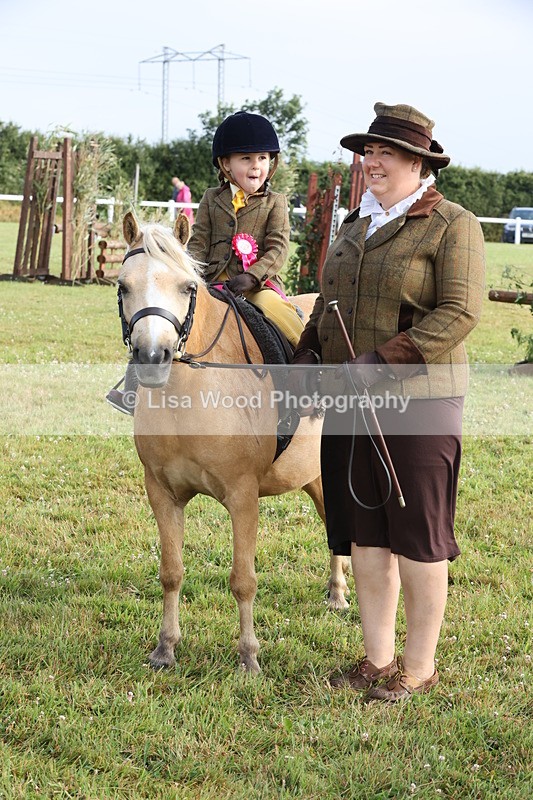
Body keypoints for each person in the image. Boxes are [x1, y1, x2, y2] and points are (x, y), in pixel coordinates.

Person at [290, 102, 485, 701]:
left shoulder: (454, 224)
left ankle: (418, 666)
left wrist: (380, 363)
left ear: (418, 162)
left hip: (421, 401)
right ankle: (376, 660)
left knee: (418, 536)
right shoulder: (353, 226)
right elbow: (330, 306)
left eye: (386, 153)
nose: (371, 162)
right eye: (367, 152)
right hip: (348, 401)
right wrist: (303, 358)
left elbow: (460, 312)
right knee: (367, 533)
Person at [187, 110, 304, 348]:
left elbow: (278, 249)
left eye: (262, 158)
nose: (256, 166)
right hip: (212, 281)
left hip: (256, 286)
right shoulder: (211, 198)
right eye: (246, 159)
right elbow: (198, 243)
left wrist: (252, 276)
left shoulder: (275, 202)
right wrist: (191, 277)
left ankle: (306, 360)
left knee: (282, 316)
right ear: (226, 163)